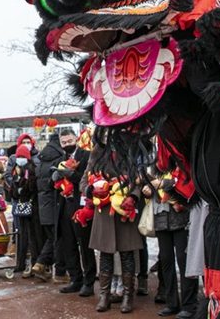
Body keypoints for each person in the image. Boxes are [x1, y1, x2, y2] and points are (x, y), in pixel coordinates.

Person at [80, 130, 144, 314]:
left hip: (124, 209)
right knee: (105, 255)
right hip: (104, 210)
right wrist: (91, 190)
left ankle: (127, 296)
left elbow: (138, 180)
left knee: (127, 255)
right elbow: (84, 181)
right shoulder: (96, 153)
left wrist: (133, 196)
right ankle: (104, 295)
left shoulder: (130, 150)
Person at [50, 128, 96, 296]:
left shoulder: (86, 155)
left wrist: (73, 175)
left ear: (76, 139)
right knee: (68, 245)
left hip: (81, 206)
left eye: (70, 141)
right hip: (65, 206)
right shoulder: (60, 159)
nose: (67, 145)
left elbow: (88, 178)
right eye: (64, 143)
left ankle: (89, 281)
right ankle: (75, 278)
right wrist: (55, 178)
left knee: (85, 245)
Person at [147, 176, 198, 319]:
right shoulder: (155, 165)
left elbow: (187, 182)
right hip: (161, 219)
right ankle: (172, 303)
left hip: (181, 218)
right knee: (166, 261)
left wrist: (164, 183)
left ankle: (189, 304)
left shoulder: (179, 162)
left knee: (185, 261)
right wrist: (148, 188)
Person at [31, 133, 65, 282]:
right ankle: (56, 270)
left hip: (42, 206)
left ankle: (40, 264)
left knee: (52, 238)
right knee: (57, 239)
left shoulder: (40, 162)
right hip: (55, 205)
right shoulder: (59, 160)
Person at [8, 144, 40, 276]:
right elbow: (12, 192)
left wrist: (22, 186)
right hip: (22, 207)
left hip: (31, 208)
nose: (20, 159)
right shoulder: (16, 170)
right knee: (21, 236)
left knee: (32, 237)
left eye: (22, 156)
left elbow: (33, 187)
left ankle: (33, 264)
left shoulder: (31, 169)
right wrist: (16, 188)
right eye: (18, 156)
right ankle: (20, 263)